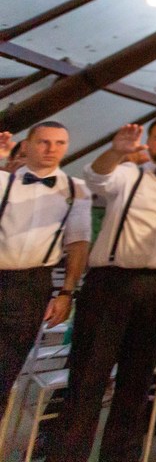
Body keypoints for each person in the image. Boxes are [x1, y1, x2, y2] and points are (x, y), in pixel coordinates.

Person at [49, 116, 156, 462]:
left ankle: (120, 455)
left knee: (137, 379)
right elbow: (95, 177)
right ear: (150, 143)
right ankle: (67, 456)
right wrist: (115, 152)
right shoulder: (128, 173)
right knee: (87, 378)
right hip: (111, 283)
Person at [0, 124, 91, 407]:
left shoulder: (77, 190)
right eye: (43, 142)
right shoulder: (4, 181)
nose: (51, 149)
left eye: (59, 143)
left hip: (32, 284)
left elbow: (78, 244)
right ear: (26, 145)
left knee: (6, 368)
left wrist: (66, 293)